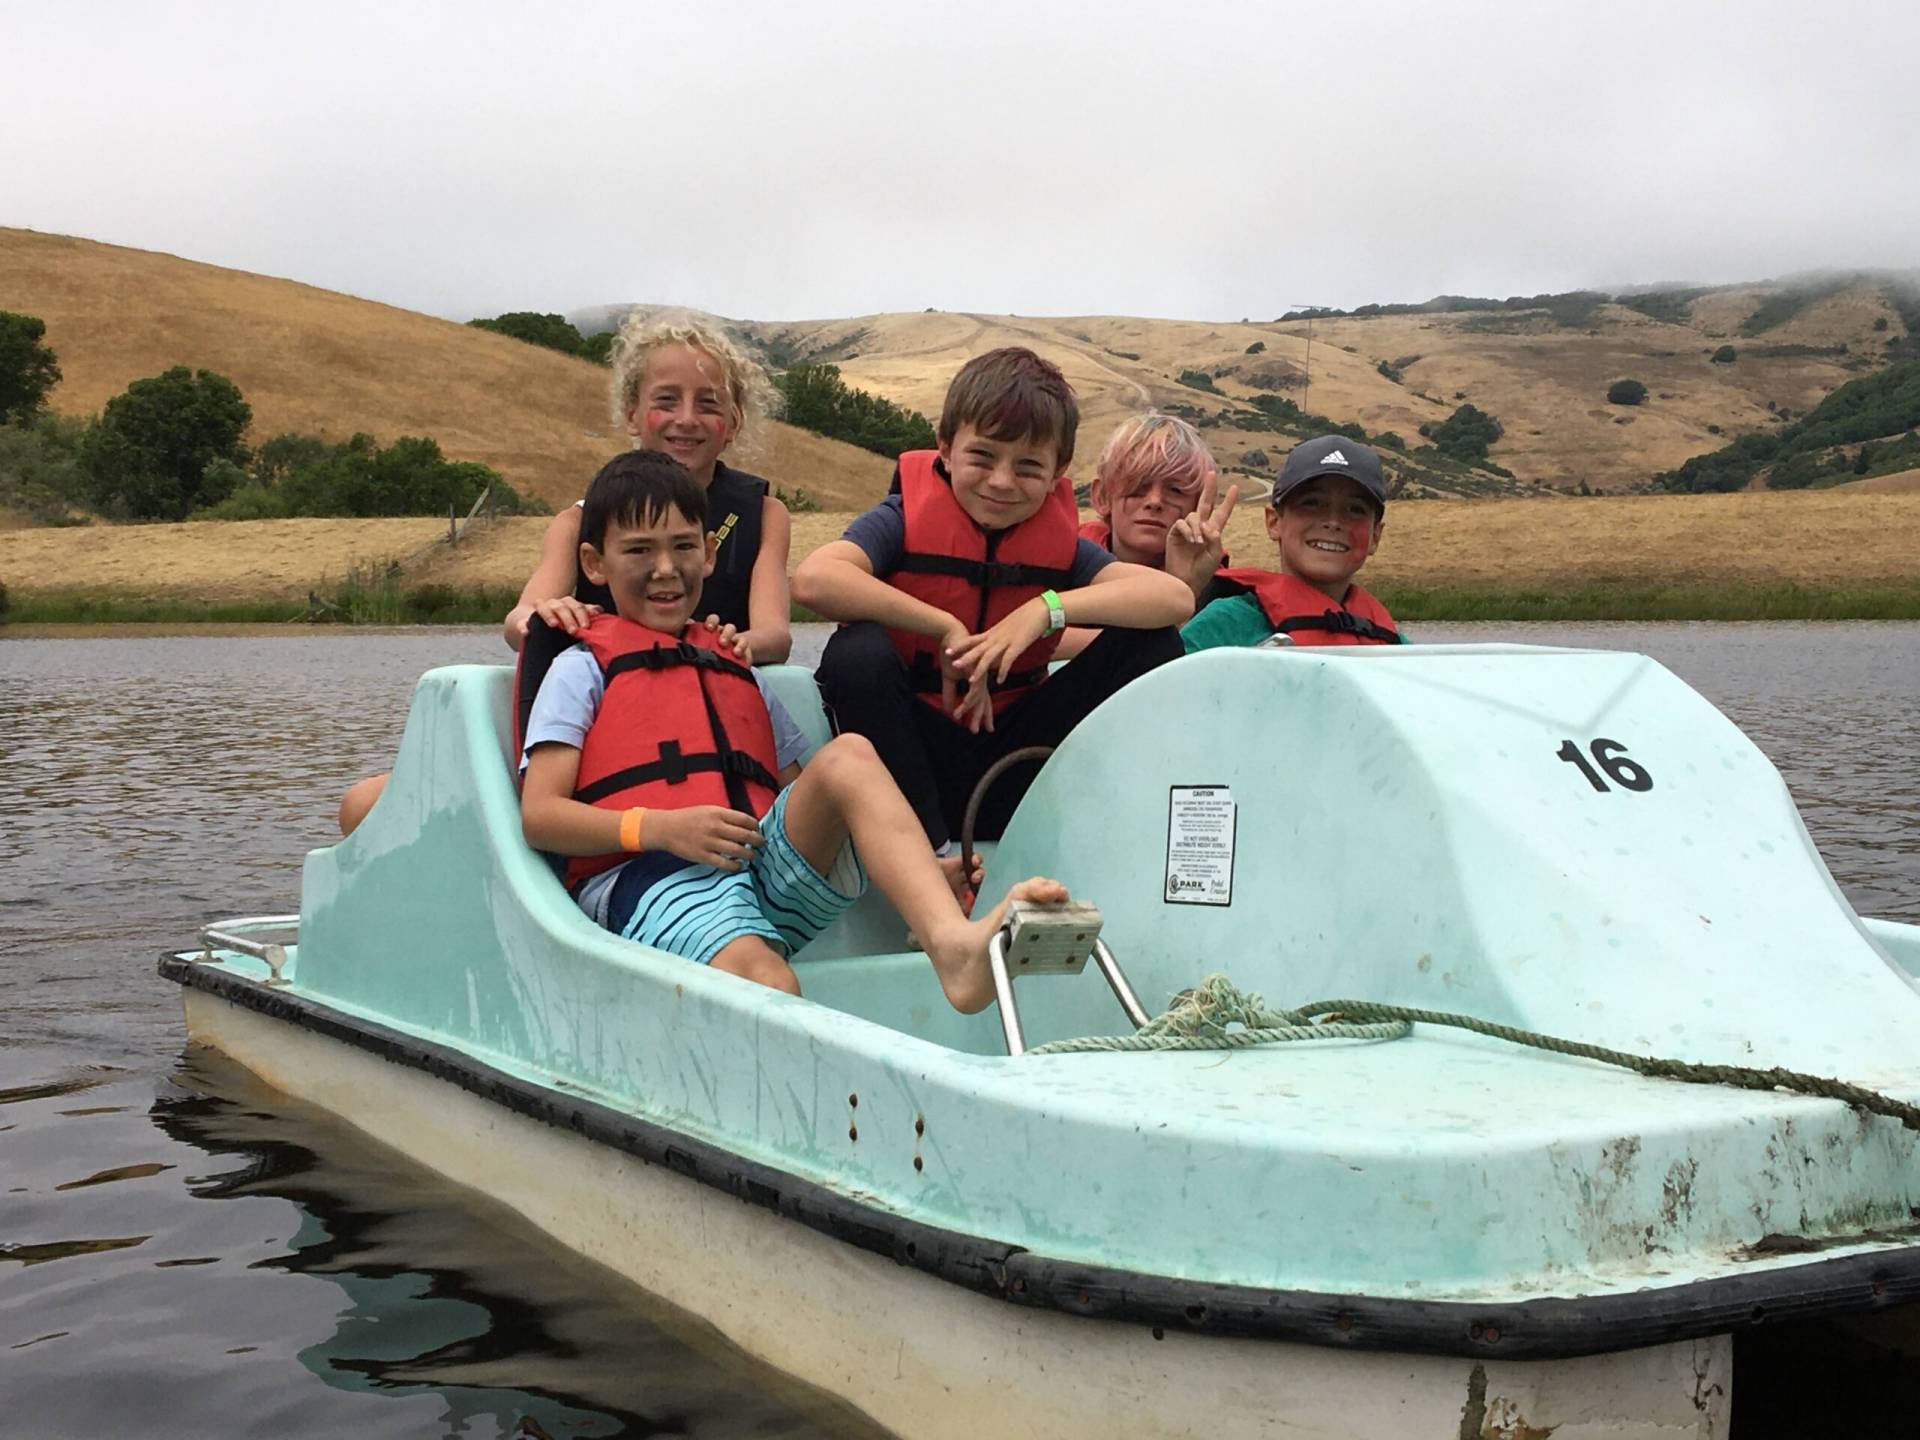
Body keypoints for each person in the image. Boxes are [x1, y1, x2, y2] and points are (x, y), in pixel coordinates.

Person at [519, 450, 1069, 1008]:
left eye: (683, 546)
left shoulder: (734, 665)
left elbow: (803, 796)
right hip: (651, 879)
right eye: (639, 550)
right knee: (769, 980)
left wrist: (920, 873)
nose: (665, 568)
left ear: (708, 553)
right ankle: (762, 977)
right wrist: (658, 828)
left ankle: (952, 943)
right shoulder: (580, 670)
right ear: (594, 564)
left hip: (754, 871)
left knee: (849, 756)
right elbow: (540, 817)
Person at [337, 316, 790, 836]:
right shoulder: (578, 523)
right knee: (361, 806)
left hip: (706, 736)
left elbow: (775, 635)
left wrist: (736, 643)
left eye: (707, 404)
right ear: (633, 414)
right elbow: (519, 622)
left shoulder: (764, 515)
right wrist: (547, 613)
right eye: (666, 401)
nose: (686, 419)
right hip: (596, 735)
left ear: (733, 422)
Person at [791, 348, 1193, 855]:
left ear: (1057, 472)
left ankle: (1102, 834)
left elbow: (1173, 598)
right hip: (907, 766)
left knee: (1150, 643)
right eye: (982, 457)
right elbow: (815, 580)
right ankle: (929, 857)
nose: (1002, 481)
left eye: (1028, 467)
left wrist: (1043, 610)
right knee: (857, 651)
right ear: (945, 449)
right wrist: (943, 626)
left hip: (1015, 763)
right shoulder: (899, 520)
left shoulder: (1062, 546)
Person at [1182, 435, 1401, 653]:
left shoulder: (1394, 644)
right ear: (1274, 522)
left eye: (1355, 509)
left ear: (1375, 537)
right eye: (1312, 503)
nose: (1333, 522)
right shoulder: (1224, 626)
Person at [1061, 411, 1237, 657]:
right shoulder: (1058, 564)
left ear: (1197, 506)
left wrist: (1187, 588)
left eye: (1176, 490)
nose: (1154, 501)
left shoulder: (1223, 596)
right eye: (1138, 486)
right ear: (1102, 497)